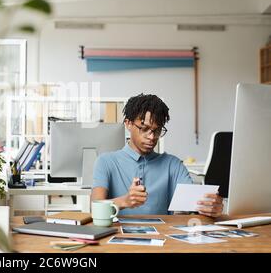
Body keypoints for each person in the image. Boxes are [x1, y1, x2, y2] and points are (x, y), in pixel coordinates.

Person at [91, 93, 223, 218]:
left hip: (163, 238)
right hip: (118, 238)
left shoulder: (173, 164)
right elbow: (94, 209)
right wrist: (124, 201)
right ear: (128, 124)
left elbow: (190, 206)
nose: (152, 137)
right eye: (144, 129)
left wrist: (211, 207)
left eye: (157, 130)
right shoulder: (106, 162)